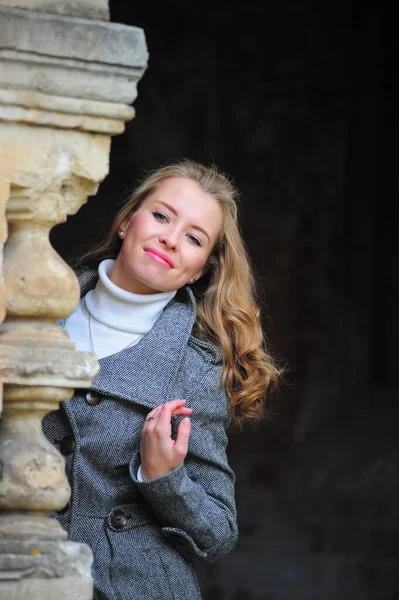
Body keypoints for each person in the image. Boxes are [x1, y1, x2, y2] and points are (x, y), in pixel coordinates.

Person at [42, 158, 282, 600]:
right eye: (161, 215)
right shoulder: (33, 312)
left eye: (193, 238)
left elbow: (218, 533)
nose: (170, 239)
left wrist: (163, 476)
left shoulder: (196, 369)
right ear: (126, 221)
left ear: (199, 269)